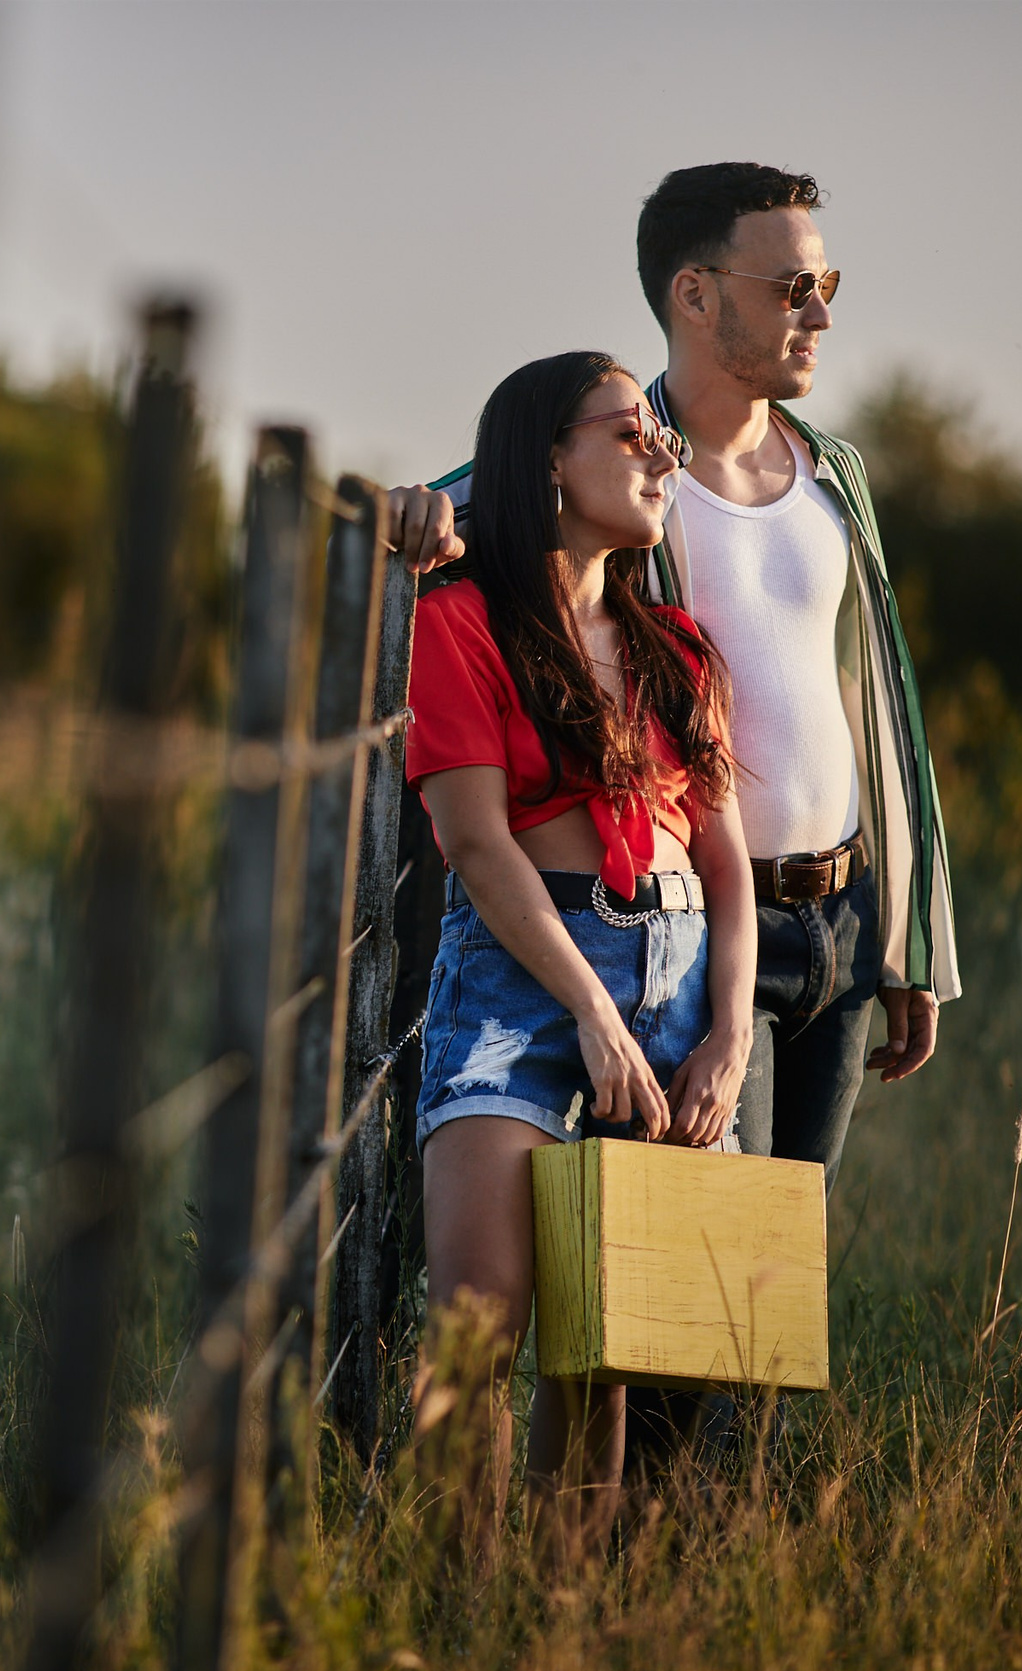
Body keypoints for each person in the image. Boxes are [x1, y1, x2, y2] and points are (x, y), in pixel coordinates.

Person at [390, 163, 959, 1186]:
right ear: (695, 293)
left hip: (842, 913)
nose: (820, 315)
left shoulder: (837, 474)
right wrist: (407, 510)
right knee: (713, 1239)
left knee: (783, 1257)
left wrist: (910, 939)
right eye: (793, 288)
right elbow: (480, 496)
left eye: (828, 286)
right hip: (698, 926)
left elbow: (881, 706)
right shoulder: (630, 463)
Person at [407, 349, 753, 1532]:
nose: (662, 454)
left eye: (663, 439)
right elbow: (475, 841)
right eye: (629, 432)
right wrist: (592, 1014)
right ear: (548, 458)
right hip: (524, 985)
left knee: (610, 1343)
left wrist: (727, 1041)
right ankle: (455, 1607)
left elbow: (725, 868)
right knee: (478, 1328)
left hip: (680, 990)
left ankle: (553, 1614)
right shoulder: (462, 621)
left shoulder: (678, 649)